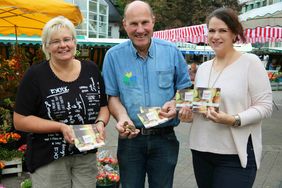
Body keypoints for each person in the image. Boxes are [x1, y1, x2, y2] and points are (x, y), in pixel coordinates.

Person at [178, 8, 273, 188]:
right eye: (212, 30)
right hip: (201, 151)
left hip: (235, 154)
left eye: (222, 30)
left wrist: (234, 119)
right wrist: (187, 114)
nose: (216, 36)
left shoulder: (250, 63)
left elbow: (265, 106)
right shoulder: (203, 68)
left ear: (235, 34)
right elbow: (202, 107)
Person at [102, 1, 191, 187]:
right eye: (134, 24)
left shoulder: (171, 52)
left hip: (164, 139)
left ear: (153, 21)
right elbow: (112, 97)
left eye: (145, 22)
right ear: (125, 24)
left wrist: (175, 103)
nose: (140, 29)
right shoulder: (113, 56)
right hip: (131, 140)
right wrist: (122, 116)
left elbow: (184, 89)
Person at [13, 16, 109, 188]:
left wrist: (101, 123)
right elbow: (20, 121)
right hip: (49, 158)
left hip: (85, 155)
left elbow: (103, 107)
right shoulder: (35, 75)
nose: (63, 45)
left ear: (74, 41)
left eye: (67, 39)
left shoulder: (91, 69)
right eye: (55, 41)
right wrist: (60, 127)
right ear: (47, 46)